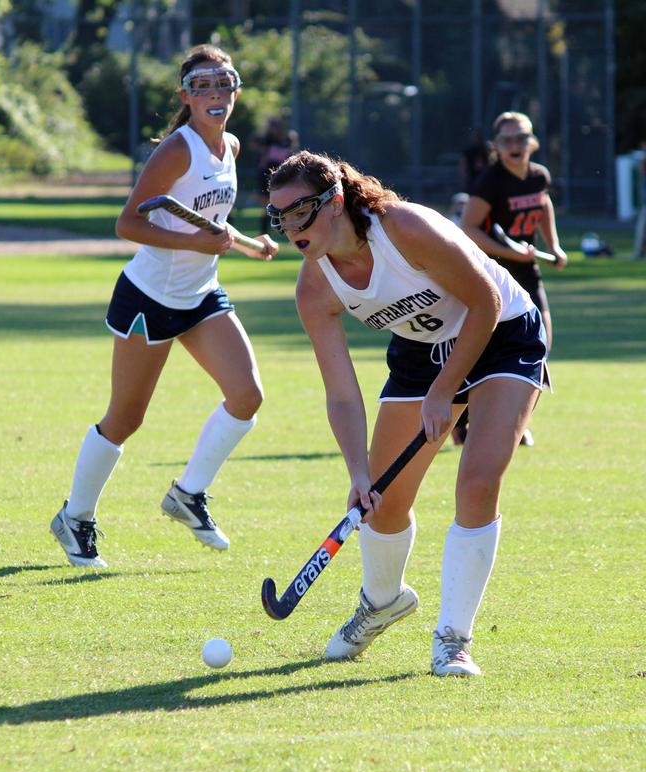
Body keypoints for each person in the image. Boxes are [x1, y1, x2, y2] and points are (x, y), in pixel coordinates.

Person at [267, 149, 548, 676]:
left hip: (503, 335)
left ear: (334, 202)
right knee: (384, 503)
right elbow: (341, 393)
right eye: (280, 217)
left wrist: (445, 391)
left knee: (477, 483)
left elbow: (485, 301)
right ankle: (382, 601)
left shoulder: (403, 229)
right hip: (421, 354)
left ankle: (453, 640)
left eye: (300, 212)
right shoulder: (314, 286)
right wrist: (357, 473)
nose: (291, 229)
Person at [49, 45, 278, 568]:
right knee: (126, 418)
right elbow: (128, 223)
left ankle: (187, 495)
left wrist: (249, 244)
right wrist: (195, 243)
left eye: (223, 84)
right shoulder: (176, 150)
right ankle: (74, 517)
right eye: (202, 86)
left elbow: (207, 217)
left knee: (247, 395)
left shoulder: (231, 146)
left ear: (236, 91)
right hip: (149, 299)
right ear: (186, 97)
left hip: (200, 295)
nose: (215, 95)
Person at [459, 112, 565, 447]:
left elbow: (543, 204)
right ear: (497, 146)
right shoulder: (489, 181)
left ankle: (513, 426)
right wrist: (511, 253)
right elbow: (468, 228)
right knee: (484, 353)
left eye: (521, 138)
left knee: (539, 346)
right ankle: (464, 421)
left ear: (532, 142)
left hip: (527, 274)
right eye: (507, 140)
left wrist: (553, 245)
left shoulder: (538, 175)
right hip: (493, 277)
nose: (515, 145)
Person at [255, 117, 299, 234]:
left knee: (282, 201)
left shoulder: (288, 139)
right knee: (266, 204)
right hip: (266, 174)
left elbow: (292, 153)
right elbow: (254, 144)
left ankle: (281, 226)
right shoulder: (267, 140)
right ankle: (265, 231)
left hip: (281, 174)